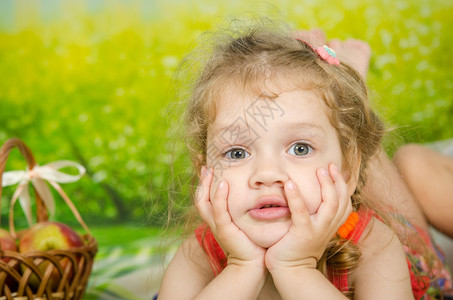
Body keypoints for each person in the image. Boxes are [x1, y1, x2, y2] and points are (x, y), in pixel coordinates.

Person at [158, 22, 452, 299]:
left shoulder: (374, 244)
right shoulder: (198, 255)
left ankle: (352, 93)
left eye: (300, 148)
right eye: (236, 153)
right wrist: (241, 267)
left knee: (409, 162)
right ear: (205, 173)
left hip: (417, 260)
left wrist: (295, 269)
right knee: (343, 139)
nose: (268, 174)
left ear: (349, 172)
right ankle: (337, 115)